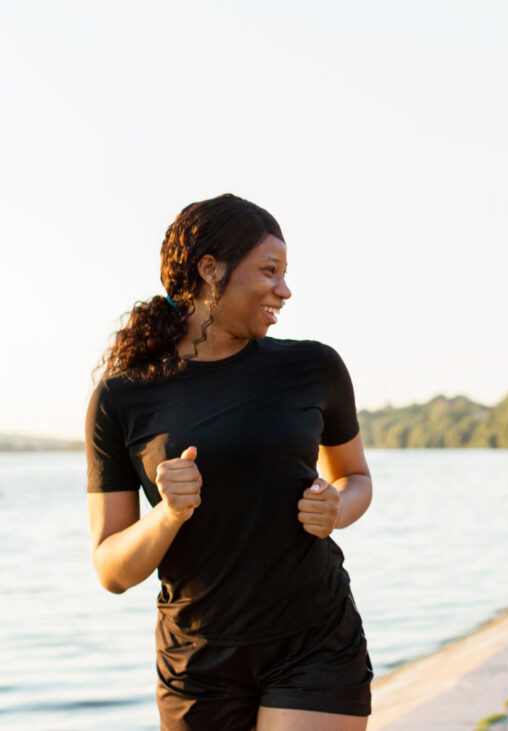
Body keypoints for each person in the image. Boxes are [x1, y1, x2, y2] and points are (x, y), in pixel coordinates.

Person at [86, 194, 373, 730]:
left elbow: (354, 478)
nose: (284, 290)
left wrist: (337, 507)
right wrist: (168, 514)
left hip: (315, 640)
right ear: (210, 269)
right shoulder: (121, 397)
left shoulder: (314, 367)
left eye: (285, 274)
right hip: (197, 664)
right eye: (269, 270)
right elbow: (111, 570)